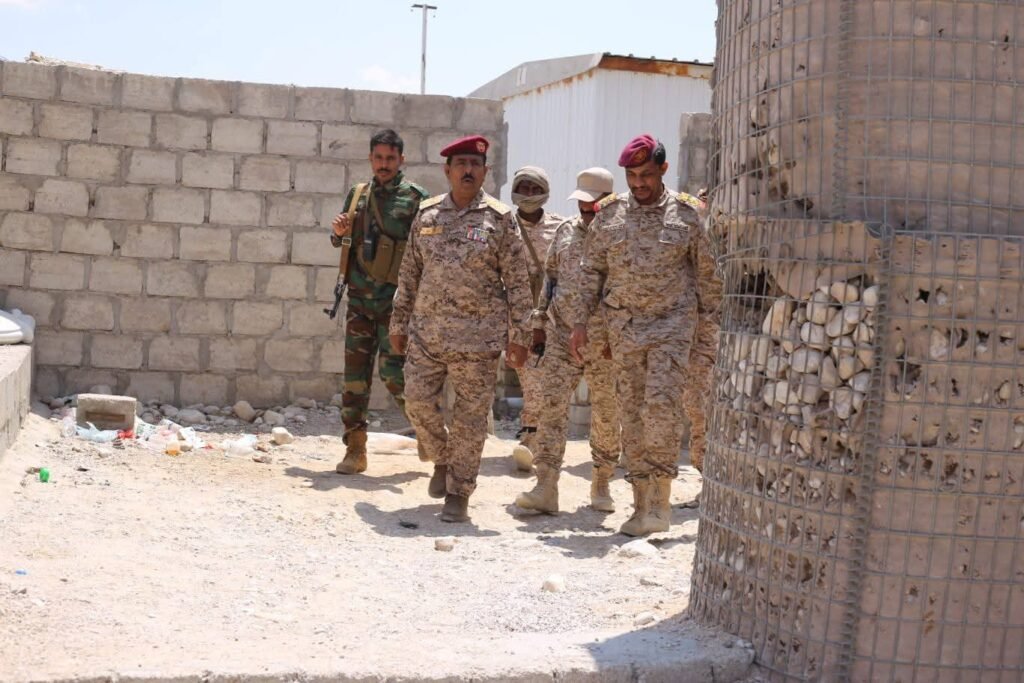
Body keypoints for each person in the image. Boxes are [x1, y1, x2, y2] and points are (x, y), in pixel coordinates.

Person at [569, 134, 716, 536]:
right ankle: (639, 502)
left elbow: (708, 280)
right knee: (631, 414)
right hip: (625, 330)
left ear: (663, 169)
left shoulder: (689, 214)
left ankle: (660, 503)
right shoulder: (609, 214)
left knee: (661, 409)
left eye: (646, 175)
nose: (639, 184)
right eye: (632, 176)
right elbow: (591, 272)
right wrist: (581, 324)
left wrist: (707, 340)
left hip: (672, 328)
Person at [389, 135, 533, 523]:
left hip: (478, 341)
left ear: (485, 171)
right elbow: (409, 273)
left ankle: (459, 492)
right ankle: (442, 458)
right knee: (416, 402)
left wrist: (520, 336)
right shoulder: (427, 215)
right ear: (447, 171)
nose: (468, 170)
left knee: (470, 420)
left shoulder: (500, 220)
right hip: (427, 335)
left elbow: (518, 283)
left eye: (475, 164)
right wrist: (398, 323)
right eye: (461, 164)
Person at [515, 167, 621, 514]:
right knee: (551, 408)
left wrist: (619, 337)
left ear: (609, 200)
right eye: (582, 203)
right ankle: (545, 485)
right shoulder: (565, 232)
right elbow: (550, 279)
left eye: (593, 203)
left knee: (606, 413)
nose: (586, 209)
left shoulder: (622, 236)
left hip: (604, 341)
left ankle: (601, 481)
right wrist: (539, 324)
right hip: (561, 335)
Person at [329, 129, 429, 475]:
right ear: (370, 158)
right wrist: (338, 233)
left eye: (390, 158)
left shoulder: (416, 199)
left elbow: (428, 250)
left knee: (394, 373)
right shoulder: (358, 195)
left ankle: (428, 432)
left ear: (401, 159)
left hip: (396, 306)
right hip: (360, 300)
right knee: (354, 379)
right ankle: (355, 450)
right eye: (378, 158)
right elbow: (341, 241)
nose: (384, 164)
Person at [507, 166, 565, 473]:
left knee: (543, 379)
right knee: (530, 378)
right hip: (516, 318)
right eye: (523, 188)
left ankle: (535, 437)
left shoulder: (559, 227)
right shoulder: (504, 225)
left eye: (535, 189)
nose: (528, 194)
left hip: (551, 317)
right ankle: (532, 438)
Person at [680, 188, 721, 475]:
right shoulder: (688, 239)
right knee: (696, 403)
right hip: (694, 334)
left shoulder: (728, 242)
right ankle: (704, 467)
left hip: (721, 331)